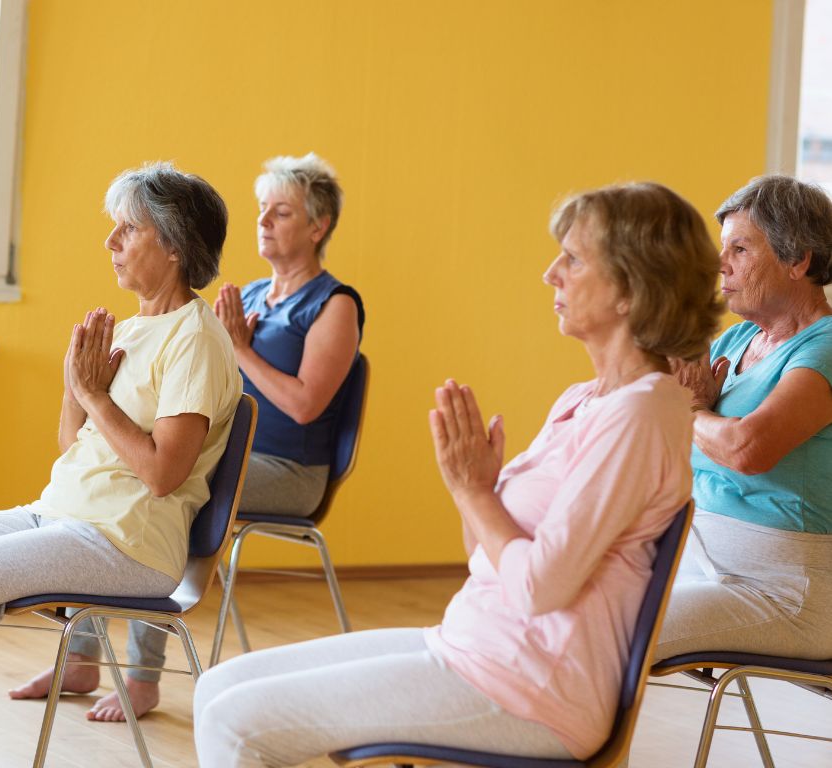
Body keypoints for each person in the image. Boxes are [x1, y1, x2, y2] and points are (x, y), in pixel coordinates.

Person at [193, 182, 724, 767]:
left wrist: (476, 492)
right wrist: (478, 492)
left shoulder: (642, 413)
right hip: (477, 646)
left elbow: (539, 587)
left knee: (233, 724)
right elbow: (484, 556)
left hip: (530, 689)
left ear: (632, 288)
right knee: (216, 689)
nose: (551, 273)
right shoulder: (585, 399)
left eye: (573, 258)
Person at [0, 163, 241, 768]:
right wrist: (74, 390)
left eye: (127, 229)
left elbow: (163, 473)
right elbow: (73, 448)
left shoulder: (196, 339)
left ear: (172, 245)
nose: (110, 243)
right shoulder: (134, 329)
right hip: (57, 516)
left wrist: (94, 397)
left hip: (127, 544)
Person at [10, 152, 364, 722]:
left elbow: (305, 406)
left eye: (282, 213)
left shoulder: (334, 305)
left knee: (156, 495)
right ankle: (82, 656)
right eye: (261, 211)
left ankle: (143, 680)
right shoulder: (243, 299)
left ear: (319, 227)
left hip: (287, 469)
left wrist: (242, 349)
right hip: (219, 452)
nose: (264, 222)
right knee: (120, 484)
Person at [656, 175, 832, 663]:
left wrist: (693, 411)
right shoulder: (735, 342)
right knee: (572, 611)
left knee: (607, 639)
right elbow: (656, 417)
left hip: (782, 592)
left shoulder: (826, 347)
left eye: (740, 249)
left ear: (798, 260)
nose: (721, 264)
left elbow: (746, 449)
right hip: (700, 566)